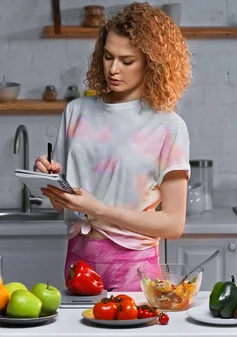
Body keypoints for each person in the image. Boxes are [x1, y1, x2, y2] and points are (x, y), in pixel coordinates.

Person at [34, 2, 192, 291]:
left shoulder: (168, 126)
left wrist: (101, 210)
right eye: (108, 57)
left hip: (135, 268)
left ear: (151, 63)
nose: (113, 69)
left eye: (126, 60)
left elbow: (173, 225)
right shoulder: (77, 111)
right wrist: (49, 180)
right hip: (77, 260)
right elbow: (63, 205)